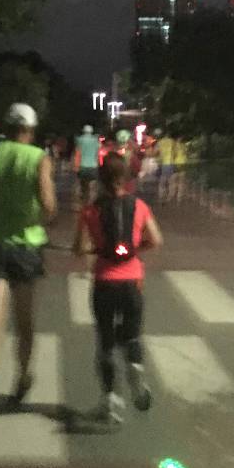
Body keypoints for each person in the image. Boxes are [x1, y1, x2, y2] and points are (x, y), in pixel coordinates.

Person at [0, 102, 57, 444]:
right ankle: (22, 379)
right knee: (24, 323)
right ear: (31, 130)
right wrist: (38, 219)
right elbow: (48, 206)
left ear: (6, 127)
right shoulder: (38, 158)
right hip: (25, 248)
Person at [74, 153, 163, 425]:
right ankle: (135, 366)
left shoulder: (90, 210)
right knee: (132, 336)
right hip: (132, 281)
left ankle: (110, 401)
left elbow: (79, 248)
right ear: (125, 178)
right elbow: (156, 240)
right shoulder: (140, 206)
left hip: (104, 282)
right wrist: (135, 249)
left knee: (105, 342)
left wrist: (95, 248)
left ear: (100, 180)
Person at [74, 125, 101, 206]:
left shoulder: (79, 140)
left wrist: (76, 166)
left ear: (83, 131)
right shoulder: (95, 140)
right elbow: (98, 153)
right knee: (92, 187)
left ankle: (82, 203)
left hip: (82, 166)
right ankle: (90, 204)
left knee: (82, 185)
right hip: (93, 166)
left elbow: (77, 153)